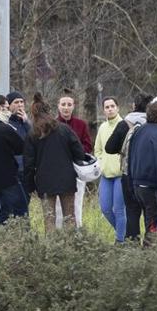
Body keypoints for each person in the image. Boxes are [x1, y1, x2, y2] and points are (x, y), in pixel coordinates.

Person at [25, 93, 84, 231]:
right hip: (67, 179)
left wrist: (30, 186)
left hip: (44, 181)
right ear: (49, 110)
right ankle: (72, 248)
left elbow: (29, 164)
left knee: (49, 219)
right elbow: (80, 153)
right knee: (70, 217)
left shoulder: (33, 133)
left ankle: (51, 250)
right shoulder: (64, 129)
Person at [104, 93, 150, 243]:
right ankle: (152, 245)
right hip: (150, 175)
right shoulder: (155, 122)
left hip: (128, 173)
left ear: (134, 106)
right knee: (151, 212)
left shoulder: (125, 123)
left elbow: (109, 148)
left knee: (131, 211)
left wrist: (123, 149)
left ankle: (132, 245)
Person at [128, 99, 157, 243]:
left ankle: (146, 257)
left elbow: (130, 158)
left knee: (150, 224)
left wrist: (132, 184)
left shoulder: (139, 131)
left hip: (138, 186)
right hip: (154, 188)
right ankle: (152, 259)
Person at [56, 89, 92, 227]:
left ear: (73, 106)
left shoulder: (81, 124)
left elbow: (88, 146)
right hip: (58, 171)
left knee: (76, 206)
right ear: (58, 106)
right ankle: (59, 237)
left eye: (69, 104)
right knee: (58, 208)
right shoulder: (53, 124)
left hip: (77, 170)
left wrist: (76, 152)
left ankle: (77, 234)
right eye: (63, 104)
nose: (66, 107)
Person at [93, 96, 126, 241]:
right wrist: (101, 162)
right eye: (107, 107)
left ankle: (120, 241)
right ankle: (124, 233)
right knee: (105, 209)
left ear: (117, 108)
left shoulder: (124, 125)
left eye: (112, 106)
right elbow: (98, 150)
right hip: (106, 175)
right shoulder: (102, 127)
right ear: (104, 110)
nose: (110, 109)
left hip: (120, 175)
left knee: (119, 210)